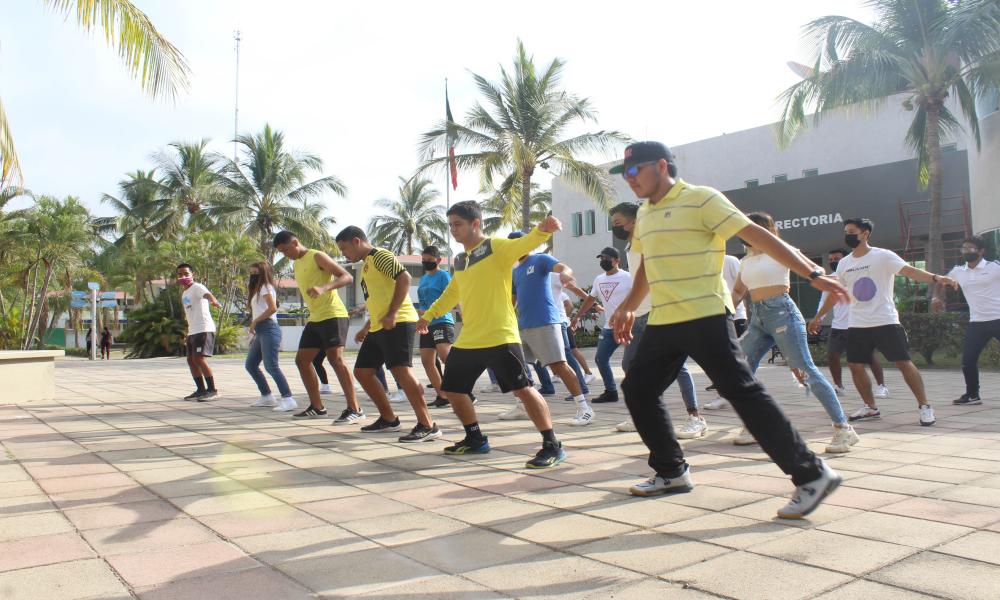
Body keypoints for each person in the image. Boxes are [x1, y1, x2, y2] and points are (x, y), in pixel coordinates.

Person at [608, 141, 846, 519]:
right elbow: (646, 267)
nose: (630, 180)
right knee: (637, 388)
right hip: (665, 318)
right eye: (625, 174)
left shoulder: (702, 199)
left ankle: (813, 474)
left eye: (635, 171)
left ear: (661, 166)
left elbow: (761, 237)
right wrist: (627, 307)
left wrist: (812, 273)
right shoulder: (646, 215)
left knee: (741, 391)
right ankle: (671, 471)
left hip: (704, 313)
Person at [417, 200, 566, 468]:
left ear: (476, 223)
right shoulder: (461, 260)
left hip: (500, 336)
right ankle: (475, 438)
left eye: (458, 224)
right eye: (450, 225)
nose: (453, 229)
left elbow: (524, 244)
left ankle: (552, 444)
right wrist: (427, 315)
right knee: (452, 389)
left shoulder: (495, 247)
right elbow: (453, 292)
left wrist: (542, 230)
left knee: (523, 389)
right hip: (470, 339)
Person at [730, 212, 858, 453]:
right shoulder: (745, 261)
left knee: (804, 372)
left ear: (764, 229)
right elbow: (738, 292)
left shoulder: (781, 249)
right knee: (740, 371)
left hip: (783, 315)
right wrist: (724, 309)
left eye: (749, 228)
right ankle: (754, 425)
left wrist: (823, 278)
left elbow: (813, 268)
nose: (744, 234)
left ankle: (844, 429)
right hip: (757, 319)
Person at [814, 218, 954, 426]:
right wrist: (819, 317)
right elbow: (837, 293)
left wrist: (936, 278)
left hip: (885, 320)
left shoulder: (883, 256)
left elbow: (910, 271)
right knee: (855, 365)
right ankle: (870, 407)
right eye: (846, 232)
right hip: (857, 324)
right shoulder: (844, 263)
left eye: (852, 231)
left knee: (903, 363)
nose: (848, 235)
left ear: (865, 234)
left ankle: (925, 406)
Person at [609, 202, 705, 438]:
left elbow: (653, 276)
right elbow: (637, 283)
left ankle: (695, 417)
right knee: (629, 365)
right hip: (639, 314)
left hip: (659, 311)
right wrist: (624, 309)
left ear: (633, 221)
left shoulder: (649, 242)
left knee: (676, 366)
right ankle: (641, 413)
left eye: (618, 222)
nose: (615, 228)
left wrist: (625, 308)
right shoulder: (631, 246)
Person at [336, 226, 441, 442]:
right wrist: (366, 328)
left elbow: (404, 277)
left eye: (344, 248)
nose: (344, 254)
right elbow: (376, 299)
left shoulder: (380, 255)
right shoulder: (366, 266)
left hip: (399, 321)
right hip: (378, 327)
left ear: (357, 241)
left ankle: (428, 425)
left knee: (401, 370)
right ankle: (388, 418)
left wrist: (392, 313)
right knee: (363, 371)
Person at [505, 231, 594, 426]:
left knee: (559, 366)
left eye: (518, 243)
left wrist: (564, 274)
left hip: (545, 322)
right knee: (514, 366)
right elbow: (512, 302)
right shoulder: (516, 271)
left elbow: (565, 268)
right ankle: (523, 405)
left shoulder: (540, 259)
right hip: (524, 326)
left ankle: (584, 409)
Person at [272, 230, 361, 422]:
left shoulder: (317, 256)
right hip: (315, 318)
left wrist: (324, 288)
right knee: (302, 360)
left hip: (333, 315)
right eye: (282, 252)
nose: (286, 255)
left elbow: (346, 277)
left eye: (286, 250)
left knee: (335, 359)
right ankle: (317, 407)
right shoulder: (296, 263)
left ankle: (355, 408)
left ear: (295, 242)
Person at [809, 249, 888, 397]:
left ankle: (881, 386)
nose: (833, 261)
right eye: (831, 259)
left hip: (859, 324)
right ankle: (839, 387)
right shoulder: (831, 280)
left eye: (836, 259)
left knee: (869, 356)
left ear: (845, 260)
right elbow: (824, 299)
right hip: (838, 325)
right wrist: (818, 318)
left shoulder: (854, 274)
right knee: (832, 355)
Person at [934, 235, 1000, 405]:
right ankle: (972, 395)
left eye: (970, 248)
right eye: (963, 248)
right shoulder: (958, 271)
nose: (966, 251)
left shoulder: (994, 268)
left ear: (981, 251)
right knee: (968, 360)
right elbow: (941, 281)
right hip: (977, 323)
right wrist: (936, 297)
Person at [570, 247, 632, 403]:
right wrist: (577, 317)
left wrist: (622, 312)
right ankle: (611, 392)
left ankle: (637, 391)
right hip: (609, 327)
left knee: (630, 362)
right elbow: (590, 300)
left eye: (606, 258)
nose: (603, 261)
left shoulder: (628, 277)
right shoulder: (599, 279)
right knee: (601, 358)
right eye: (601, 258)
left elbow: (635, 297)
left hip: (628, 327)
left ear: (617, 260)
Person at [244, 261, 298, 412]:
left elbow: (273, 308)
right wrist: (255, 324)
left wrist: (255, 321)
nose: (253, 276)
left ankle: (288, 399)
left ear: (264, 273)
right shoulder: (258, 289)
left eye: (256, 273)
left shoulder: (265, 287)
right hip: (262, 330)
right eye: (251, 273)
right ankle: (267, 396)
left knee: (271, 366)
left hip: (268, 328)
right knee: (251, 365)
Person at [703, 254, 747, 407]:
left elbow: (742, 286)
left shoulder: (730, 260)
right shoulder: (704, 259)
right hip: (713, 315)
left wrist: (736, 309)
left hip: (734, 315)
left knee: (736, 357)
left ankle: (733, 392)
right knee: (719, 357)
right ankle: (726, 392)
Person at [416, 245, 457, 408]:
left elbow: (451, 297)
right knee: (427, 361)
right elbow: (422, 301)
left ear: (439, 260)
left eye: (429, 260)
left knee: (446, 357)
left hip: (442, 320)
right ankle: (443, 395)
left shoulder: (444, 276)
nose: (426, 263)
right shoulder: (424, 279)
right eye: (423, 260)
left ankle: (464, 391)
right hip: (426, 322)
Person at [177, 263, 222, 401]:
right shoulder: (185, 292)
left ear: (192, 275)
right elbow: (188, 313)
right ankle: (200, 390)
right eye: (180, 274)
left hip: (203, 328)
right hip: (193, 330)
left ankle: (212, 390)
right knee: (191, 360)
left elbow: (208, 295)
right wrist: (187, 332)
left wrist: (214, 301)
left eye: (186, 274)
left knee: (199, 359)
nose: (183, 277)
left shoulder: (197, 287)